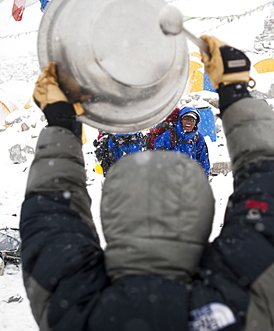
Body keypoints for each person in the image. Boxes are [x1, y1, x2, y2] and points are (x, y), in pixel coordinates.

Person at [20, 35, 274, 331]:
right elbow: (266, 188)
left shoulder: (76, 305)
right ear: (203, 209)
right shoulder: (239, 299)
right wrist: (236, 93)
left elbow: (50, 213)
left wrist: (61, 123)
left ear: (112, 211)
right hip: (180, 179)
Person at [152, 106, 210, 177]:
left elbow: (203, 160)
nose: (188, 121)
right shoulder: (170, 135)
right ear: (181, 120)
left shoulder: (197, 138)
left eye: (192, 119)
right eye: (186, 118)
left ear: (196, 122)